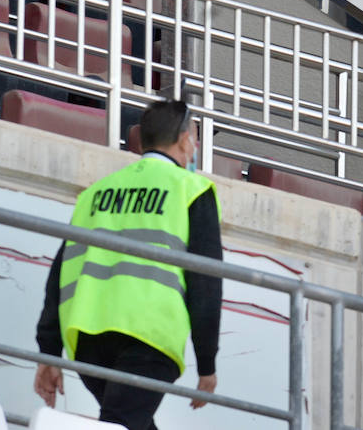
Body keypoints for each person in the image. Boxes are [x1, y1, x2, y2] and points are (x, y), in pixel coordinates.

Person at [33, 97, 222, 429]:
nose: (195, 147)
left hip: (89, 340)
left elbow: (59, 274)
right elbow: (206, 281)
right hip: (150, 337)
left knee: (129, 422)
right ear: (184, 139)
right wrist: (207, 364)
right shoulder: (192, 188)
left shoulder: (96, 192)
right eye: (195, 137)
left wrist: (49, 352)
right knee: (120, 422)